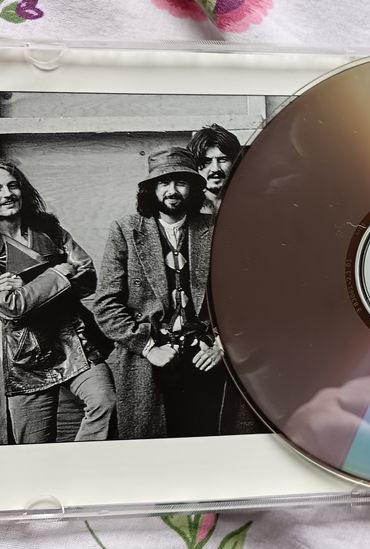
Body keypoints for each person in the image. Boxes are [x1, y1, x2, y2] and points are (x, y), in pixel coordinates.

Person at [93, 147, 226, 439]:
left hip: (206, 359)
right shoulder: (126, 230)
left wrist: (221, 346)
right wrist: (149, 348)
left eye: (181, 182)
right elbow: (105, 305)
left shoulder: (215, 229)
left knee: (210, 446)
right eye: (164, 182)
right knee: (153, 450)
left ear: (193, 188)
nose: (172, 191)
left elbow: (241, 301)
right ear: (151, 189)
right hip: (148, 361)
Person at [0, 160, 116, 444]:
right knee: (34, 448)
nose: (7, 194)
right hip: (25, 356)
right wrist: (58, 272)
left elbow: (88, 277)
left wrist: (29, 287)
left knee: (105, 402)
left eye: (12, 185)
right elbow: (13, 307)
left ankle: (80, 465)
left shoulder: (49, 229)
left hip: (74, 341)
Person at [187, 124, 240, 215]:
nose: (215, 169)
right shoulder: (185, 209)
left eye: (223, 159)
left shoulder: (251, 202)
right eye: (207, 161)